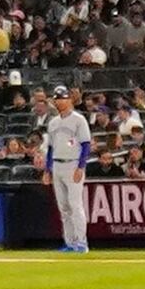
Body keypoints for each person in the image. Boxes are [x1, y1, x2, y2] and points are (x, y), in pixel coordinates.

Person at [40, 92, 94, 250]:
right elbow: (50, 148)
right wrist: (47, 170)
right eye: (57, 99)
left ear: (69, 100)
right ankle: (70, 242)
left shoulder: (79, 119)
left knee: (75, 205)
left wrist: (81, 166)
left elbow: (86, 144)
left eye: (62, 98)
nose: (59, 101)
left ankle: (81, 242)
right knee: (63, 207)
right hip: (57, 164)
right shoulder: (53, 122)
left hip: (73, 164)